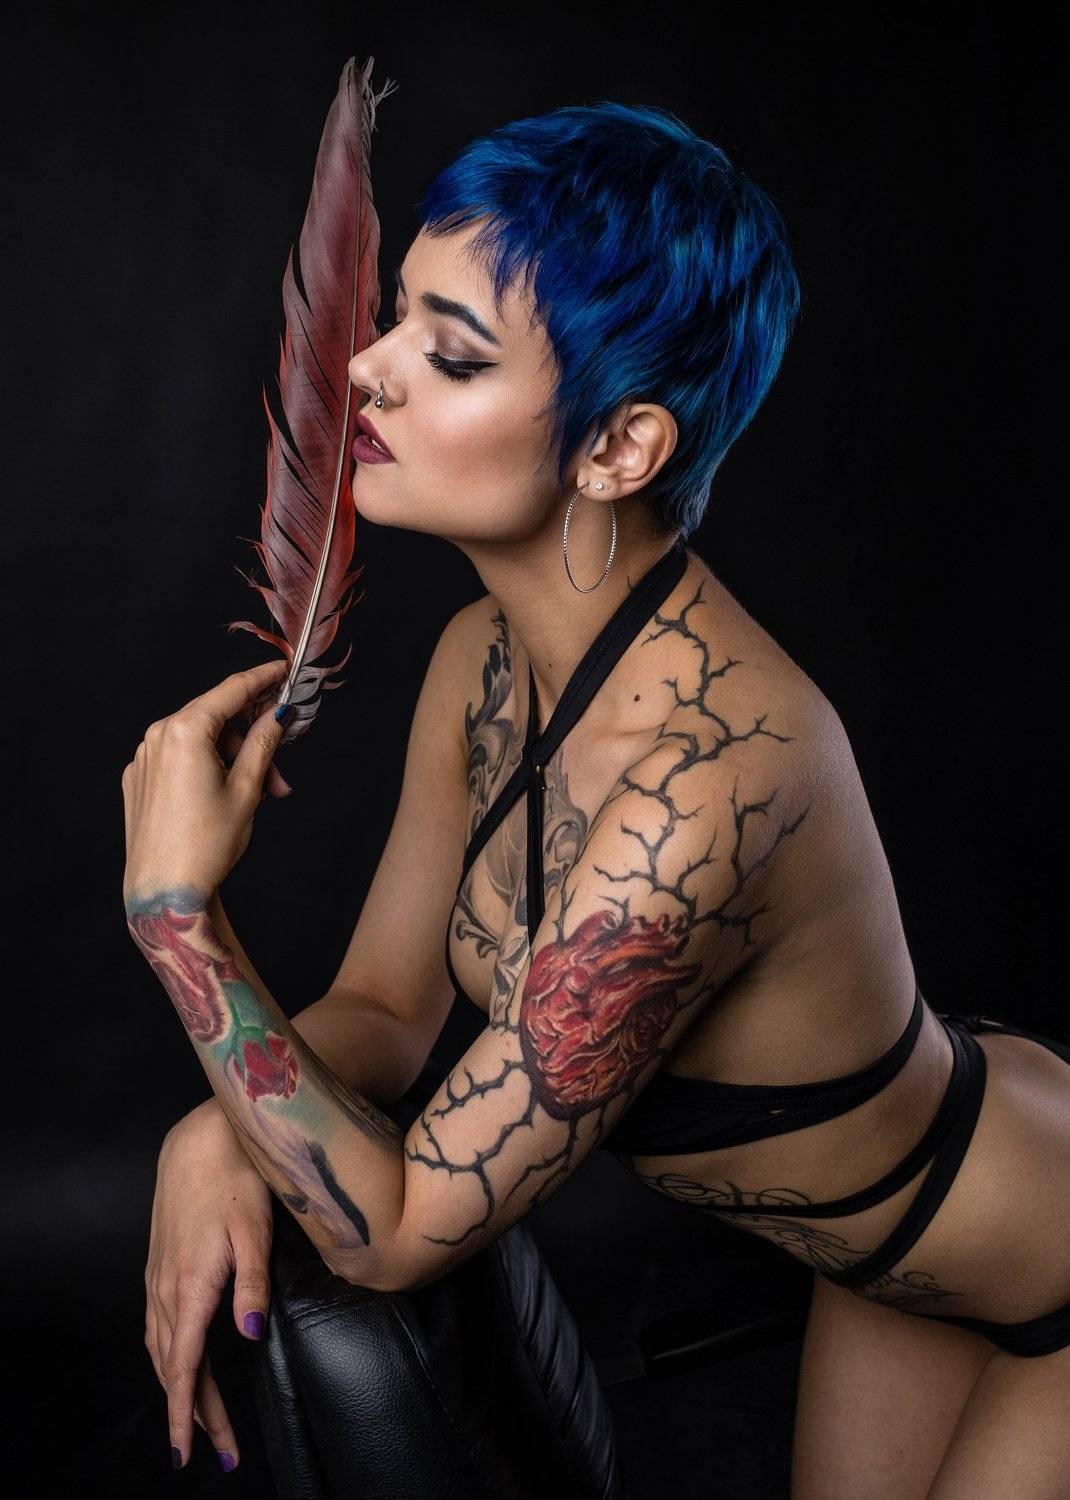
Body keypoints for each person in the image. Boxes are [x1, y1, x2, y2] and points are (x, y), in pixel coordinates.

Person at [143, 101, 1070, 1493]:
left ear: (619, 451)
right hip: (902, 1254)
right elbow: (388, 1012)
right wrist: (207, 1128)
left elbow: (393, 1229)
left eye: (450, 354)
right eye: (394, 317)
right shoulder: (482, 659)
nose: (365, 368)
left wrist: (174, 916)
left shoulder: (707, 788)